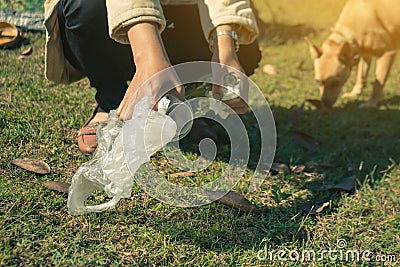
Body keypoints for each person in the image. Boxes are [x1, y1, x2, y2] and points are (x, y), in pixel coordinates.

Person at [43, 0, 261, 154]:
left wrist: (224, 45)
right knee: (85, 6)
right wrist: (148, 56)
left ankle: (184, 100)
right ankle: (111, 100)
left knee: (246, 44)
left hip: (179, 14)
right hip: (113, 19)